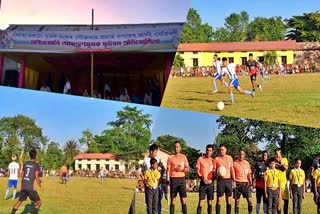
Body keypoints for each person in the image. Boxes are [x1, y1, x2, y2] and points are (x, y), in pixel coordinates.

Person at [11, 149, 42, 214]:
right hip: (30, 188)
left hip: (24, 186)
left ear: (29, 155)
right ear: (35, 156)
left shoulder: (25, 163)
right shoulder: (36, 165)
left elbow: (21, 174)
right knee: (39, 203)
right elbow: (36, 176)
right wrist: (40, 185)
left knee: (19, 201)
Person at [166, 141, 190, 214]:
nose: (176, 148)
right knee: (173, 200)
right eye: (175, 147)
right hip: (173, 180)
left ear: (180, 148)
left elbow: (188, 169)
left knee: (183, 200)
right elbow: (168, 170)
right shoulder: (170, 158)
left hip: (182, 180)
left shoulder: (184, 157)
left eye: (178, 147)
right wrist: (167, 182)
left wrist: (182, 169)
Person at [142, 144, 166, 214]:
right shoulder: (145, 159)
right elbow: (142, 171)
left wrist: (160, 180)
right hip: (148, 186)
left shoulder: (158, 159)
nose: (156, 154)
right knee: (149, 204)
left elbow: (163, 169)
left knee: (157, 203)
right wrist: (145, 182)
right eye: (155, 152)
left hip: (157, 186)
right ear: (151, 151)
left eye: (157, 152)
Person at [214, 144, 235, 214]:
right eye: (220, 150)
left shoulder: (230, 158)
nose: (221, 151)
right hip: (220, 181)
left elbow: (232, 169)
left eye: (222, 150)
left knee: (229, 200)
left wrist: (233, 180)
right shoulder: (216, 159)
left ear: (226, 150)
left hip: (228, 180)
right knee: (219, 200)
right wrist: (218, 174)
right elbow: (214, 171)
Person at [195, 144, 215, 214]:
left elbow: (215, 173)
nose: (208, 152)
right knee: (201, 202)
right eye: (207, 150)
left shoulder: (213, 160)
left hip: (210, 184)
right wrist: (203, 179)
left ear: (212, 152)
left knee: (210, 202)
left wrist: (211, 180)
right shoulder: (200, 159)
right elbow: (197, 170)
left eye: (210, 151)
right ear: (205, 150)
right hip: (203, 184)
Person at [233, 148, 253, 214]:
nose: (241, 156)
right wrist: (233, 182)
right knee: (237, 202)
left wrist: (251, 183)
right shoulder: (235, 163)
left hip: (246, 184)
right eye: (239, 154)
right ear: (238, 155)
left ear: (244, 155)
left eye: (242, 154)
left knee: (250, 201)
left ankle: (250, 212)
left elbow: (249, 174)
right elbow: (233, 174)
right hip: (237, 183)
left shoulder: (247, 163)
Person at [274, 148, 289, 214]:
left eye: (278, 153)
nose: (277, 155)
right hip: (277, 183)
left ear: (280, 153)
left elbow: (285, 168)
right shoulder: (273, 161)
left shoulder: (284, 159)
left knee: (286, 200)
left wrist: (280, 162)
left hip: (284, 182)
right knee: (278, 201)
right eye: (275, 154)